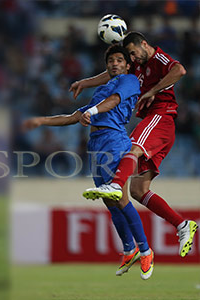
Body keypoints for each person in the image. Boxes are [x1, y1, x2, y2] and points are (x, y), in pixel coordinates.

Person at [24, 45, 153, 280]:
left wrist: (92, 111)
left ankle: (145, 250)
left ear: (127, 64)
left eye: (119, 60)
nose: (114, 64)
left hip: (114, 140)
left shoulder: (131, 80)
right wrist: (42, 120)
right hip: (96, 143)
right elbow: (73, 117)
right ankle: (129, 249)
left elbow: (114, 101)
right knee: (109, 201)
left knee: (120, 197)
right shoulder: (101, 90)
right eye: (110, 61)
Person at [71, 31, 197, 257]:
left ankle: (116, 185)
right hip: (156, 124)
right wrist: (85, 82)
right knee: (139, 191)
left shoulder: (157, 58)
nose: (133, 58)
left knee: (133, 147)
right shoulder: (136, 68)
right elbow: (110, 75)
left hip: (161, 116)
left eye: (133, 53)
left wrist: (153, 90)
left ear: (144, 45)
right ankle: (182, 225)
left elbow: (179, 70)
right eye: (129, 55)